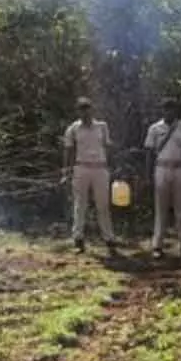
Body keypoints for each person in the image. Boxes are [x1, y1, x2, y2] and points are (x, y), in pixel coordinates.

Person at [62, 97, 116, 254]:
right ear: (78, 111)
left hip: (100, 167)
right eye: (81, 109)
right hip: (81, 167)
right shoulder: (73, 128)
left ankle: (109, 238)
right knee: (80, 204)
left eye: (87, 108)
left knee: (103, 205)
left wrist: (111, 166)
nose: (85, 112)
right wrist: (66, 171)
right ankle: (78, 238)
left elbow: (107, 146)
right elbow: (69, 150)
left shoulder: (102, 126)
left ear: (92, 110)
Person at [144, 97, 181, 258]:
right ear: (162, 110)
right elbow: (149, 152)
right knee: (161, 208)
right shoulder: (154, 128)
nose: (169, 111)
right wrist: (148, 175)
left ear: (176, 110)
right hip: (161, 167)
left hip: (180, 167)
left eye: (172, 108)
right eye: (167, 108)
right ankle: (157, 245)